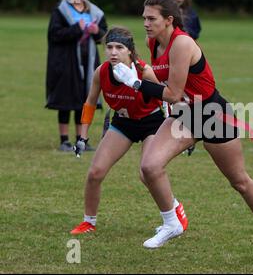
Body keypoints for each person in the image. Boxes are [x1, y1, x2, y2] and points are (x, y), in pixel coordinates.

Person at [113, 0, 253, 267]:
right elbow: (166, 86)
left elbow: (171, 92)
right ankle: (172, 222)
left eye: (151, 18)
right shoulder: (153, 42)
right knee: (149, 167)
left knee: (239, 181)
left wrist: (134, 83)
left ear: (168, 20)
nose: (145, 23)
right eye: (144, 17)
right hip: (185, 114)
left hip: (211, 114)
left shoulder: (182, 43)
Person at [70, 27, 188, 235]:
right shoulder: (102, 72)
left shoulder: (144, 71)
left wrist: (182, 130)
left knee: (147, 173)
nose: (113, 52)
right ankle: (89, 222)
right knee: (95, 173)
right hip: (123, 123)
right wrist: (82, 136)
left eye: (119, 47)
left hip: (151, 123)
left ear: (130, 52)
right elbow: (89, 103)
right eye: (109, 47)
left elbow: (169, 98)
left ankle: (174, 210)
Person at [45, 0, 107, 151]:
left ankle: (81, 139)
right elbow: (54, 35)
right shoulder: (60, 11)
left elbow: (104, 36)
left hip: (89, 63)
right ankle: (64, 140)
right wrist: (75, 29)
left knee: (84, 99)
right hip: (66, 63)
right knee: (66, 100)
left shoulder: (94, 12)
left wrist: (97, 32)